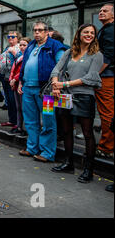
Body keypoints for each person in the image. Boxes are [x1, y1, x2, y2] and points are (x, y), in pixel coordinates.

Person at [50, 24, 103, 183]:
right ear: (79, 34)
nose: (89, 35)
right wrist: (55, 85)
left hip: (84, 96)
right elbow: (56, 70)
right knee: (66, 130)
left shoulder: (97, 55)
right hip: (65, 97)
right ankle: (68, 163)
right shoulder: (69, 52)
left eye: (92, 33)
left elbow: (91, 78)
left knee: (87, 133)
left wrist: (64, 85)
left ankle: (89, 170)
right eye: (86, 32)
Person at [18, 21, 66, 162]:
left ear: (46, 32)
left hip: (46, 91)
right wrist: (21, 80)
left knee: (48, 120)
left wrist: (56, 86)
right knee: (30, 120)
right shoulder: (31, 45)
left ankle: (47, 152)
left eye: (40, 30)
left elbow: (61, 67)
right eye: (35, 30)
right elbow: (24, 65)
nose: (37, 33)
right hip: (28, 89)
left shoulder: (55, 46)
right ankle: (32, 148)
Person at [95, 3, 114, 159]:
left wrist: (95, 73)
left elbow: (108, 55)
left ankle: (106, 147)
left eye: (105, 11)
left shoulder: (110, 30)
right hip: (107, 75)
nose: (101, 12)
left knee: (106, 113)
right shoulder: (106, 29)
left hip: (107, 77)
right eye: (100, 11)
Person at [0, 31, 22, 129]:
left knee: (13, 100)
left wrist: (14, 53)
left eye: (13, 37)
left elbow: (20, 59)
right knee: (8, 99)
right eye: (9, 37)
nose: (10, 38)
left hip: (13, 77)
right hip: (4, 76)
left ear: (18, 38)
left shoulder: (19, 47)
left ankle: (17, 121)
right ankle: (11, 119)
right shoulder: (7, 48)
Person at [9, 37, 31, 136]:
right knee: (18, 107)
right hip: (16, 83)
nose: (22, 47)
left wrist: (15, 79)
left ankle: (25, 128)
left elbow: (23, 70)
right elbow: (13, 69)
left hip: (22, 83)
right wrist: (11, 79)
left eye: (24, 45)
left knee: (24, 107)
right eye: (20, 45)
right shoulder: (20, 56)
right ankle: (19, 126)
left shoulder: (28, 56)